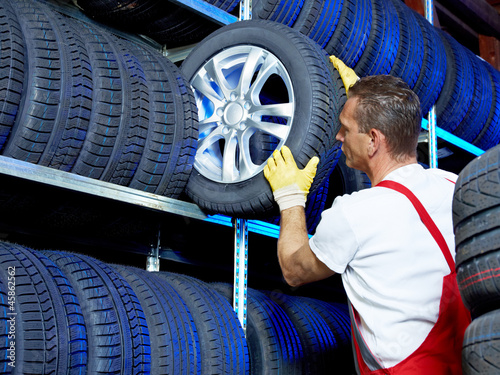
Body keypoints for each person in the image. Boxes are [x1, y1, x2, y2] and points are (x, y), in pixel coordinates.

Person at [263, 58, 471, 374]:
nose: (338, 137)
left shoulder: (354, 214)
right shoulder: (453, 184)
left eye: (345, 129)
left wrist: (290, 197)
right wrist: (366, 104)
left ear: (374, 140)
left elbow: (294, 269)